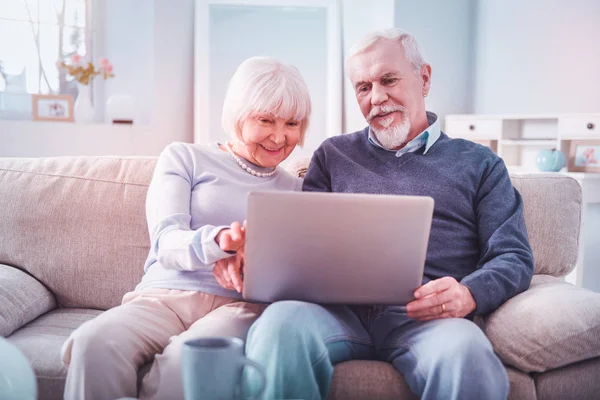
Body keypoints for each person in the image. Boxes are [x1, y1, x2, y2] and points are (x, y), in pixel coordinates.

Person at [244, 28, 534, 400]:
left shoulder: (480, 164)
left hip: (427, 319)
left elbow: (513, 255)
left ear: (424, 78)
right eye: (363, 87)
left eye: (388, 80)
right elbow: (302, 245)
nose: (377, 97)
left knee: (466, 353)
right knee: (279, 327)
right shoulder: (333, 155)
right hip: (334, 314)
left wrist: (468, 293)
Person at [60, 56, 311, 400]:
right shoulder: (184, 158)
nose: (280, 137)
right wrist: (222, 242)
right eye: (266, 120)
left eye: (292, 123)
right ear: (238, 115)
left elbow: (295, 270)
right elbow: (166, 240)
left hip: (236, 307)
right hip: (163, 297)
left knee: (188, 362)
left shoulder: (296, 188)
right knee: (94, 343)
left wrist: (253, 262)